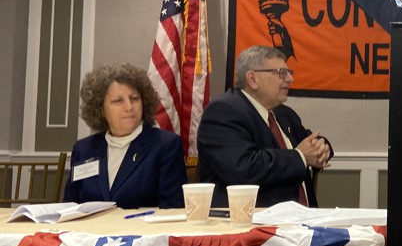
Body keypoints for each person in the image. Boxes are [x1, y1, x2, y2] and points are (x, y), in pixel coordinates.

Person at [197, 45, 332, 208]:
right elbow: (244, 169)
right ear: (253, 79)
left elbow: (309, 142)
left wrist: (321, 148)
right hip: (253, 223)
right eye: (281, 73)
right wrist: (300, 157)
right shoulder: (223, 112)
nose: (290, 79)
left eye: (290, 73)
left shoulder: (283, 114)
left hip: (304, 221)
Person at [63, 64, 187, 209]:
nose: (129, 107)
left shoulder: (165, 145)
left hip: (143, 230)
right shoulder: (84, 149)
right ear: (100, 108)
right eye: (118, 101)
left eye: (134, 99)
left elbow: (172, 208)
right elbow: (70, 206)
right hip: (89, 231)